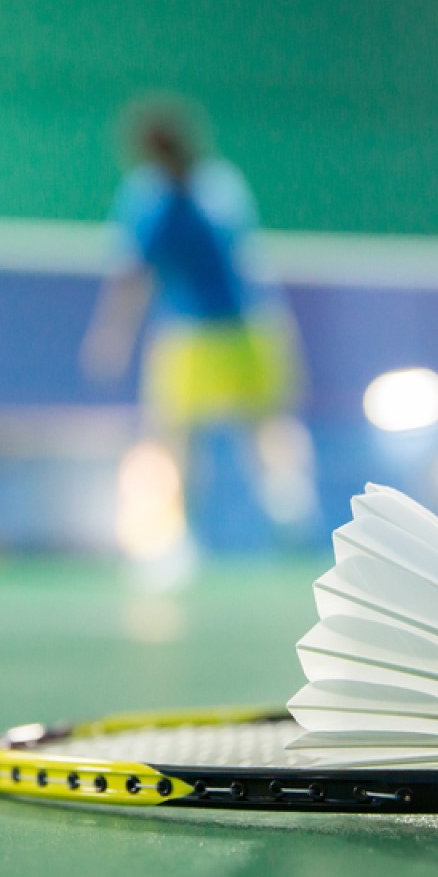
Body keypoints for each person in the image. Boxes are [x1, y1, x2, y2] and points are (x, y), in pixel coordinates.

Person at [80, 99, 317, 561]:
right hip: (212, 331)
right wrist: (112, 336)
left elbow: (138, 278)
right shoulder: (170, 194)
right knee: (185, 436)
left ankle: (289, 521)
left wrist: (112, 337)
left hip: (231, 329)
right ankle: (178, 537)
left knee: (258, 430)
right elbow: (136, 276)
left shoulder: (198, 190)